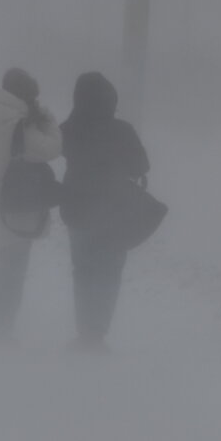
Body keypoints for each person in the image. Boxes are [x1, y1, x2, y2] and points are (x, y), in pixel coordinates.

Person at [59, 72, 149, 353]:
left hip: (77, 211)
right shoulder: (122, 130)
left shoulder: (68, 129)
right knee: (109, 273)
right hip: (114, 213)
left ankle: (84, 332)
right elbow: (141, 166)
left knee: (83, 271)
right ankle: (98, 333)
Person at [0, 68, 62, 339]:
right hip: (13, 204)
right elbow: (50, 148)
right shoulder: (18, 123)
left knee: (2, 264)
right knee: (13, 272)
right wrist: (49, 121)